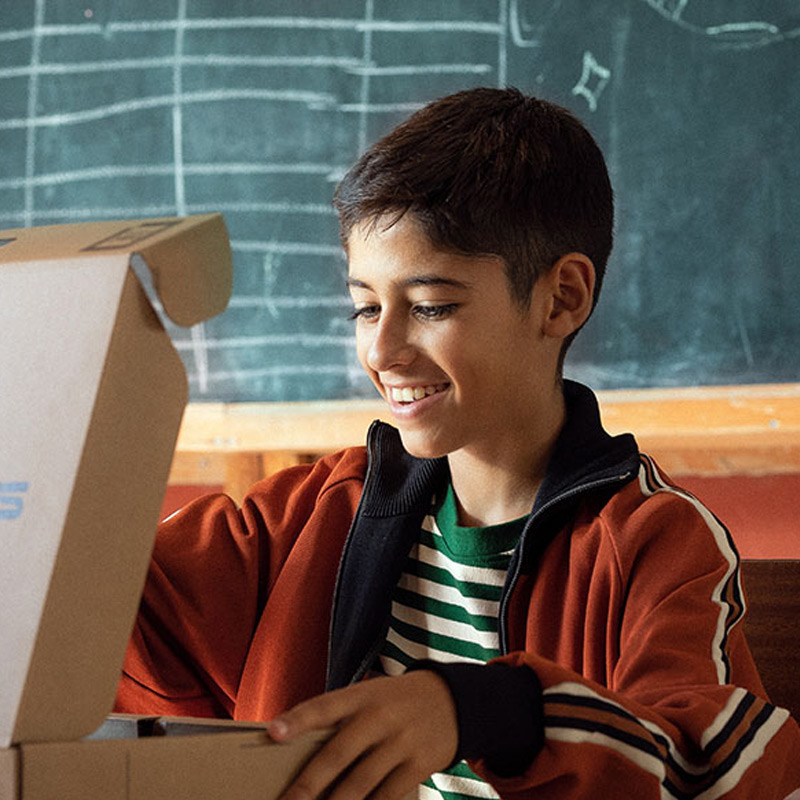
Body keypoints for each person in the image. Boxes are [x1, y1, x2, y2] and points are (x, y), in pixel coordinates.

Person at [115, 88, 800, 799]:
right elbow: (89, 608)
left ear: (562, 297)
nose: (382, 350)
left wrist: (480, 710)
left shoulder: (653, 542)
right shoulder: (309, 517)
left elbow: (712, 772)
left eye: (432, 306)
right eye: (366, 306)